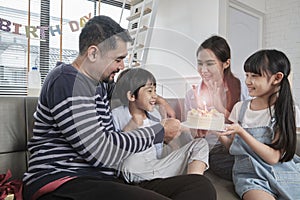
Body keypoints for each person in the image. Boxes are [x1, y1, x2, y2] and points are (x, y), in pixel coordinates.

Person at [22, 15, 216, 200]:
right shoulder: (67, 81)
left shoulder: (99, 84)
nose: (122, 65)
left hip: (104, 180)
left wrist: (161, 101)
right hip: (64, 181)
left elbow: (133, 90)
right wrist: (159, 132)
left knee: (200, 186)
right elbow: (102, 151)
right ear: (93, 53)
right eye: (118, 59)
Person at [219, 49, 300, 199]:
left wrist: (241, 132)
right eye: (247, 75)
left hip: (282, 173)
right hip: (252, 178)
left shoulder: (287, 111)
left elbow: (274, 158)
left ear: (277, 78)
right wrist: (217, 132)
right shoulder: (240, 108)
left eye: (255, 76)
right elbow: (234, 148)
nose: (248, 81)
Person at [111, 68, 209, 183]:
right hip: (134, 167)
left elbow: (166, 143)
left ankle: (192, 183)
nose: (154, 96)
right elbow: (114, 149)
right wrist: (132, 125)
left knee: (201, 144)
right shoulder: (116, 115)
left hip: (156, 166)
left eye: (155, 90)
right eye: (149, 91)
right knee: (131, 161)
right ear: (132, 96)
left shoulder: (155, 115)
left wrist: (191, 133)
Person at [184, 35, 249, 180]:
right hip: (214, 150)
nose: (203, 69)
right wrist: (196, 133)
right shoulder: (192, 94)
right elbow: (191, 131)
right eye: (200, 63)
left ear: (226, 63)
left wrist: (219, 106)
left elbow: (249, 126)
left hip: (242, 146)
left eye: (210, 63)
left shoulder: (242, 89)